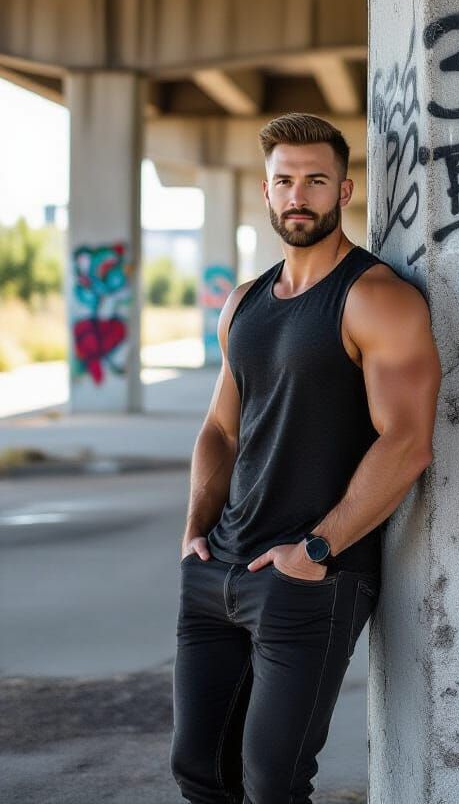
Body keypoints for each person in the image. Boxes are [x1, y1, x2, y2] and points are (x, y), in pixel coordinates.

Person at [171, 113, 441, 804]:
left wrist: (318, 549)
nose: (299, 195)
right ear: (265, 192)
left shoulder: (377, 298)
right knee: (200, 772)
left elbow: (407, 441)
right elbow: (221, 431)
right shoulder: (245, 303)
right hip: (218, 571)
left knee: (274, 782)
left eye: (315, 180)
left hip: (309, 578)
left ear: (344, 190)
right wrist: (195, 530)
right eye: (284, 181)